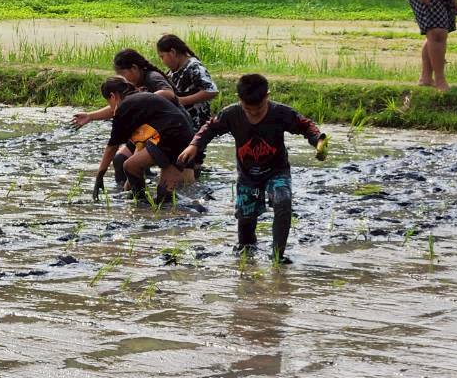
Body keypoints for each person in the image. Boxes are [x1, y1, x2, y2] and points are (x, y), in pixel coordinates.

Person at [178, 74, 328, 264]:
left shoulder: (280, 113)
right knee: (246, 224)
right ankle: (247, 262)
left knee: (283, 200)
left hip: (277, 171)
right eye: (249, 109)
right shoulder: (231, 114)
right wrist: (194, 145)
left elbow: (306, 126)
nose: (255, 113)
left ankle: (277, 256)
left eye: (259, 108)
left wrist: (318, 141)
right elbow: (210, 128)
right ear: (239, 100)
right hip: (247, 175)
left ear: (268, 96)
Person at [91, 76, 196, 205]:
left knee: (129, 165)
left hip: (169, 137)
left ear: (112, 96)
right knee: (164, 194)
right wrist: (129, 186)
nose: (111, 108)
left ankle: (140, 205)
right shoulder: (141, 98)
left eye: (108, 103)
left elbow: (112, 147)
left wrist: (99, 176)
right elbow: (141, 144)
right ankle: (195, 207)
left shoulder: (124, 107)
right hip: (185, 136)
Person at [155, 34, 219, 131]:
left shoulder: (194, 67)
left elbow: (211, 91)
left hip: (197, 126)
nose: (162, 61)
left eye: (162, 57)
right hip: (183, 124)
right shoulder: (173, 72)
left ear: (172, 52)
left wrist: (182, 101)